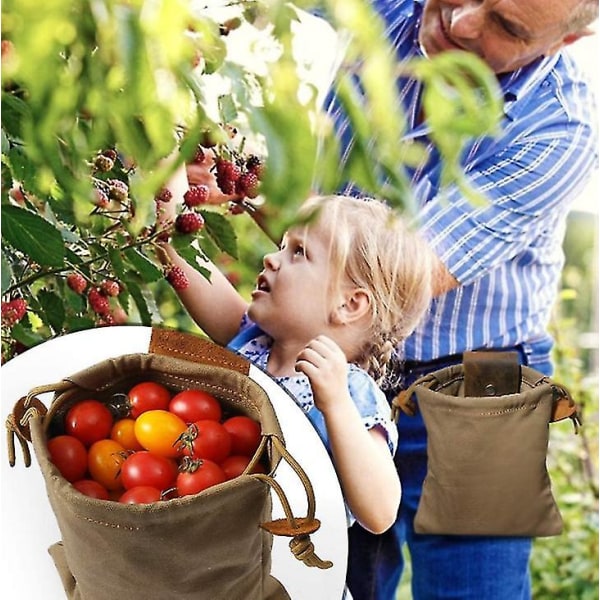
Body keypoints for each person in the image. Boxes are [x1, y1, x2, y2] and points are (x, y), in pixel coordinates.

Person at [320, 0, 599, 599]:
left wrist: (259, 198)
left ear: (562, 43)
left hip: (481, 377)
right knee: (334, 577)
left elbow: (396, 274)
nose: (463, 20)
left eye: (507, 26)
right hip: (345, 353)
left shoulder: (560, 126)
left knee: (475, 589)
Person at [156, 164, 436, 538]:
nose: (271, 259)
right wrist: (171, 159)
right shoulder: (250, 341)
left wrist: (334, 404)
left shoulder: (349, 393)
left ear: (350, 305)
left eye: (298, 252)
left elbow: (381, 512)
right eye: (281, 246)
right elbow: (177, 252)